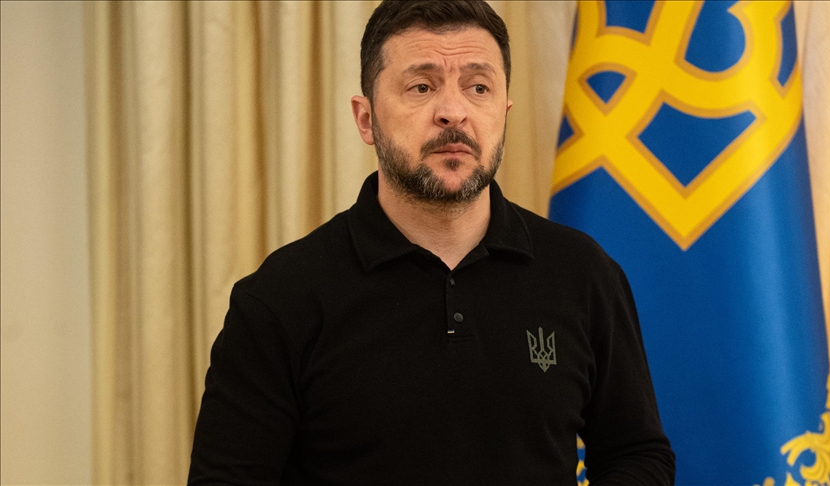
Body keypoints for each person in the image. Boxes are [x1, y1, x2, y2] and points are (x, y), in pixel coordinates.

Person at [188, 1, 675, 484]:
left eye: (478, 87)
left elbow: (638, 455)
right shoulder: (279, 298)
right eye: (421, 86)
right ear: (366, 119)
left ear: (503, 112)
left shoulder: (582, 273)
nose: (453, 113)